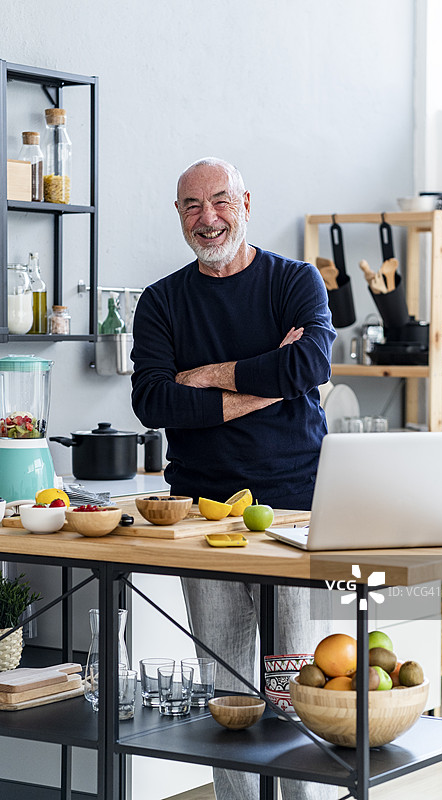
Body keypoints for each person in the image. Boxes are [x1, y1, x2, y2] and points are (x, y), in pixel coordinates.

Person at [131, 157, 337, 800]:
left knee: (296, 683)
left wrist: (207, 375)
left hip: (296, 514)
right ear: (179, 215)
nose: (208, 218)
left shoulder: (295, 280)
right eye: (192, 206)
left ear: (246, 202)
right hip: (200, 512)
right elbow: (154, 403)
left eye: (220, 201)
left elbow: (309, 362)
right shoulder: (162, 301)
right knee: (227, 689)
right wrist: (266, 378)